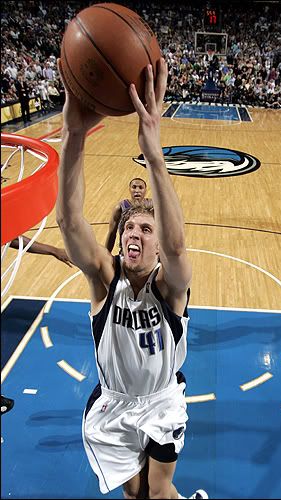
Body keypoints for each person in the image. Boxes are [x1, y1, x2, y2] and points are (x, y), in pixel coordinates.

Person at [56, 57, 208, 500]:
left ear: (157, 246)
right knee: (135, 495)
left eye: (146, 228)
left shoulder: (171, 286)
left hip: (161, 398)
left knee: (159, 493)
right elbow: (68, 221)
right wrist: (74, 137)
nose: (134, 233)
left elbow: (179, 248)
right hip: (114, 404)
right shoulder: (106, 278)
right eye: (130, 228)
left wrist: (155, 153)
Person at [104, 177, 148, 253]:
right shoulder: (120, 207)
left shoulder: (152, 206)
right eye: (134, 187)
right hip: (126, 251)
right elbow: (112, 233)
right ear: (129, 189)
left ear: (145, 190)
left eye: (141, 188)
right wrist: (106, 254)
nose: (137, 191)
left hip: (147, 251)